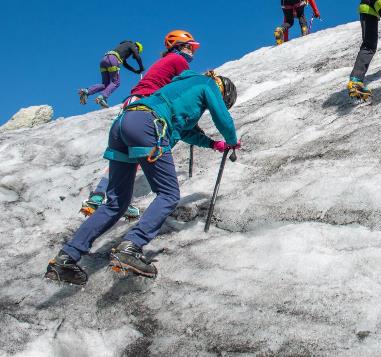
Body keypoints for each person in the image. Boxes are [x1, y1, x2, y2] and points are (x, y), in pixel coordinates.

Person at [46, 69, 239, 285]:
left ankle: (66, 258)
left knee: (116, 203)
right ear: (223, 91)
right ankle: (131, 246)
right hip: (149, 125)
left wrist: (213, 144)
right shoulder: (207, 84)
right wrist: (232, 140)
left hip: (124, 124)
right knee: (168, 194)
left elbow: (185, 131)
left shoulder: (182, 89)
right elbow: (222, 117)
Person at [79, 30, 202, 220]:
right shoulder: (178, 61)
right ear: (179, 46)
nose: (192, 51)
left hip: (132, 104)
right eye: (190, 46)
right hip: (145, 106)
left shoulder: (165, 61)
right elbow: (189, 86)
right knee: (142, 154)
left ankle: (100, 195)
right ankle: (118, 198)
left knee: (125, 155)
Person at [78, 41, 145, 108]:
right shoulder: (131, 44)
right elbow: (137, 56)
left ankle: (86, 91)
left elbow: (125, 64)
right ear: (137, 47)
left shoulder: (124, 47)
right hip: (113, 60)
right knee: (116, 82)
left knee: (105, 84)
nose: (133, 55)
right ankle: (102, 97)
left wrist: (135, 71)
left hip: (104, 60)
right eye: (138, 51)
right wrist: (141, 67)